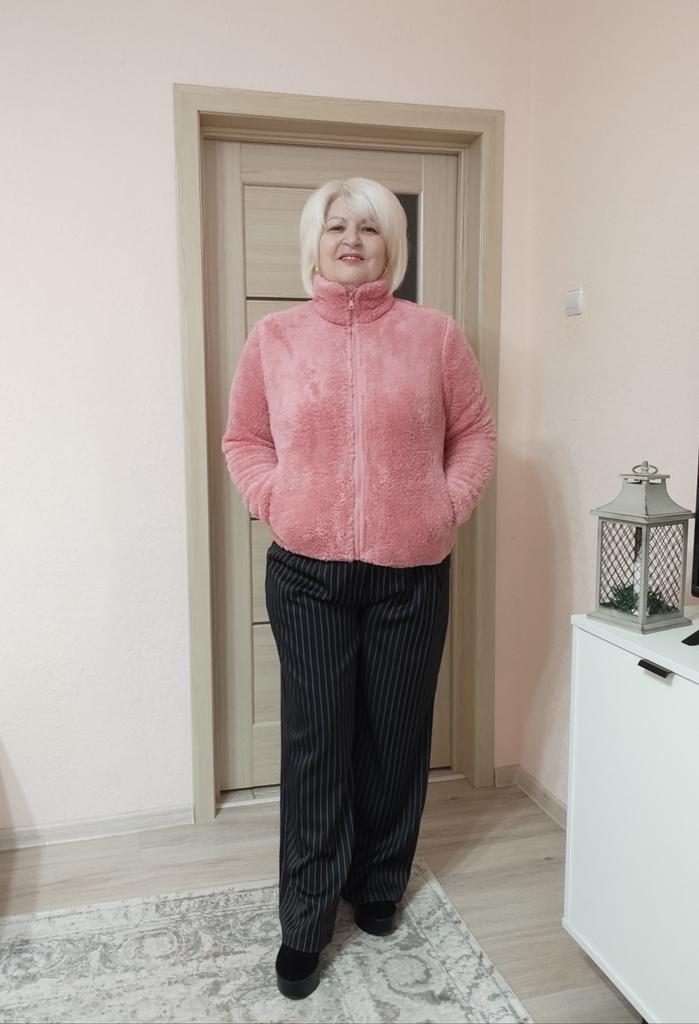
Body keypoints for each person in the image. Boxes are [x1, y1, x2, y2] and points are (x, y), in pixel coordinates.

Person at [221, 177, 497, 1000]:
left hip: (410, 571)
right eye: (336, 226)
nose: (351, 240)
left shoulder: (434, 336)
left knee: (395, 737)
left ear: (390, 247)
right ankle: (305, 918)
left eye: (369, 228)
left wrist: (445, 505)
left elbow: (474, 434)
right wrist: (275, 500)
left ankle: (378, 882)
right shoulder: (273, 337)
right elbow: (243, 438)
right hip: (306, 573)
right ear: (313, 242)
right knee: (317, 746)